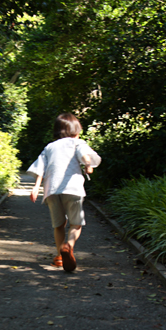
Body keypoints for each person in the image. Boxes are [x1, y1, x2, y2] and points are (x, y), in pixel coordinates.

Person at [27, 112, 101, 272]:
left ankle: (60, 256)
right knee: (76, 223)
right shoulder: (77, 143)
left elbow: (41, 168)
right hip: (72, 188)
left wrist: (36, 187)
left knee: (58, 225)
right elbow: (84, 155)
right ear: (76, 129)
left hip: (52, 190)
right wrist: (88, 166)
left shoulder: (50, 147)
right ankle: (69, 246)